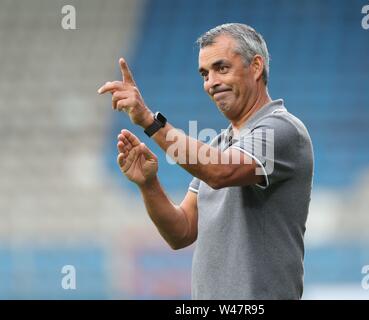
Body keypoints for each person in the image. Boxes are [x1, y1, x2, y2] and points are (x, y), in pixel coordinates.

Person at [98, 23, 314, 300]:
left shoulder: (282, 131)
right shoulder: (218, 145)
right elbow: (182, 231)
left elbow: (219, 172)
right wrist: (148, 184)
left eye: (221, 68)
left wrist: (150, 122)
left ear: (256, 67)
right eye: (204, 73)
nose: (211, 82)